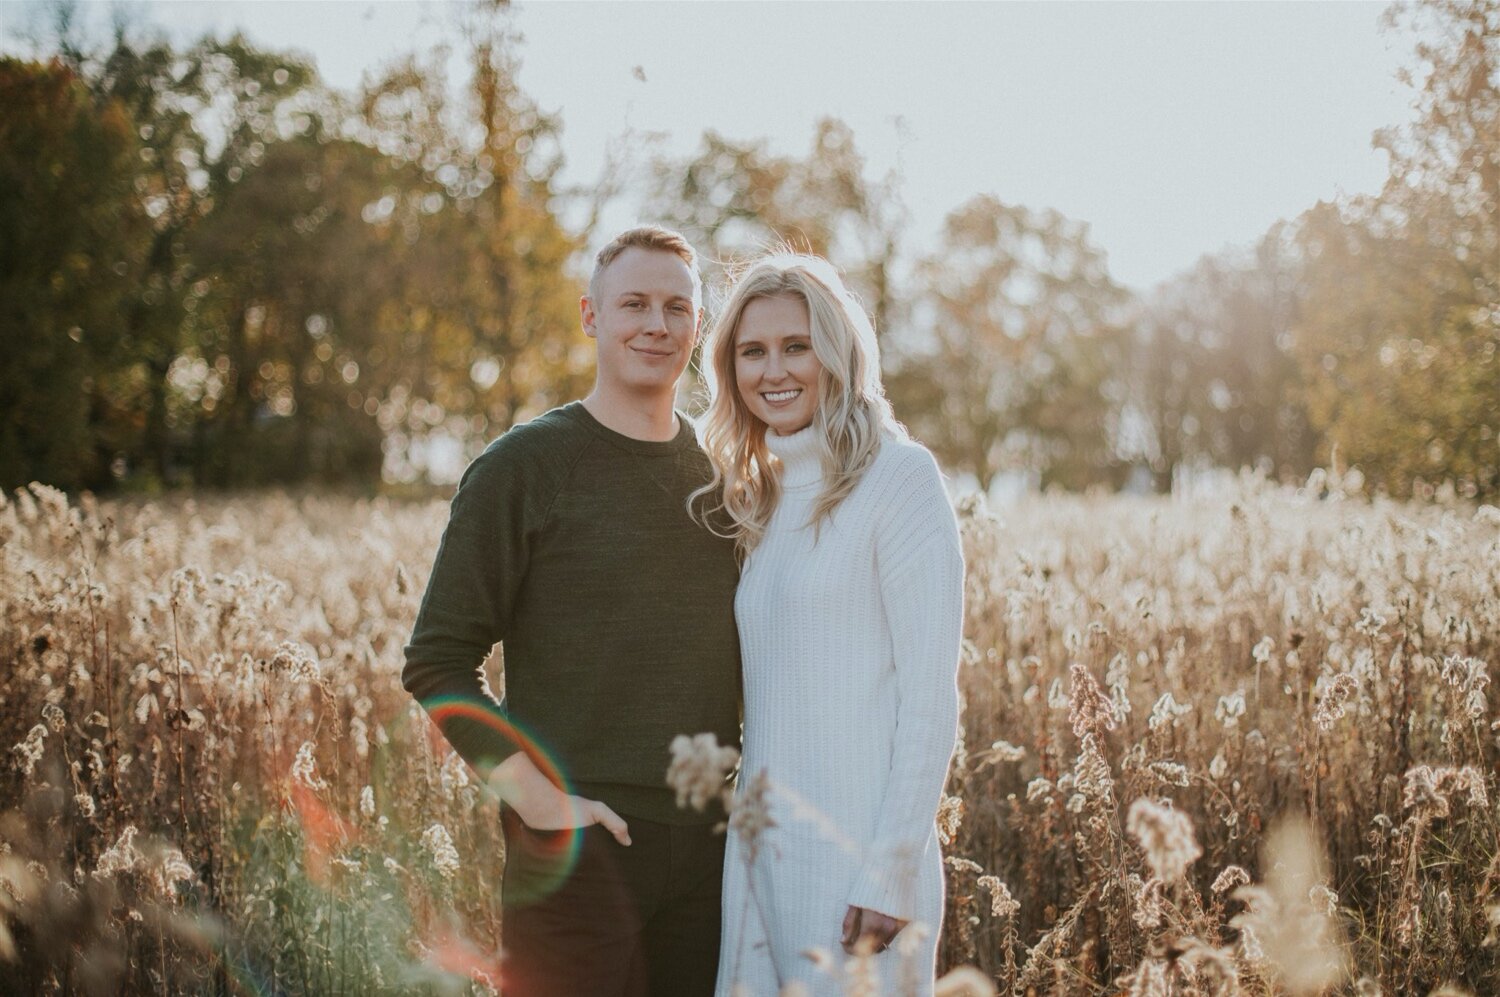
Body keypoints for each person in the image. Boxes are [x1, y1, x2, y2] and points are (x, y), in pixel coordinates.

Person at [401, 226, 742, 997]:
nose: (656, 324)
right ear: (591, 316)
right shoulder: (523, 467)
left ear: (697, 327)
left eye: (676, 308)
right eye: (634, 304)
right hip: (578, 850)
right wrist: (540, 800)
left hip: (711, 856)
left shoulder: (728, 481)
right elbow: (437, 660)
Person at [694, 253, 964, 996]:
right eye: (752, 351)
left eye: (796, 345)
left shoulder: (899, 480)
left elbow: (930, 698)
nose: (773, 370)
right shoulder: (762, 498)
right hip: (764, 857)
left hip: (861, 868)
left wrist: (892, 868)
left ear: (836, 354)